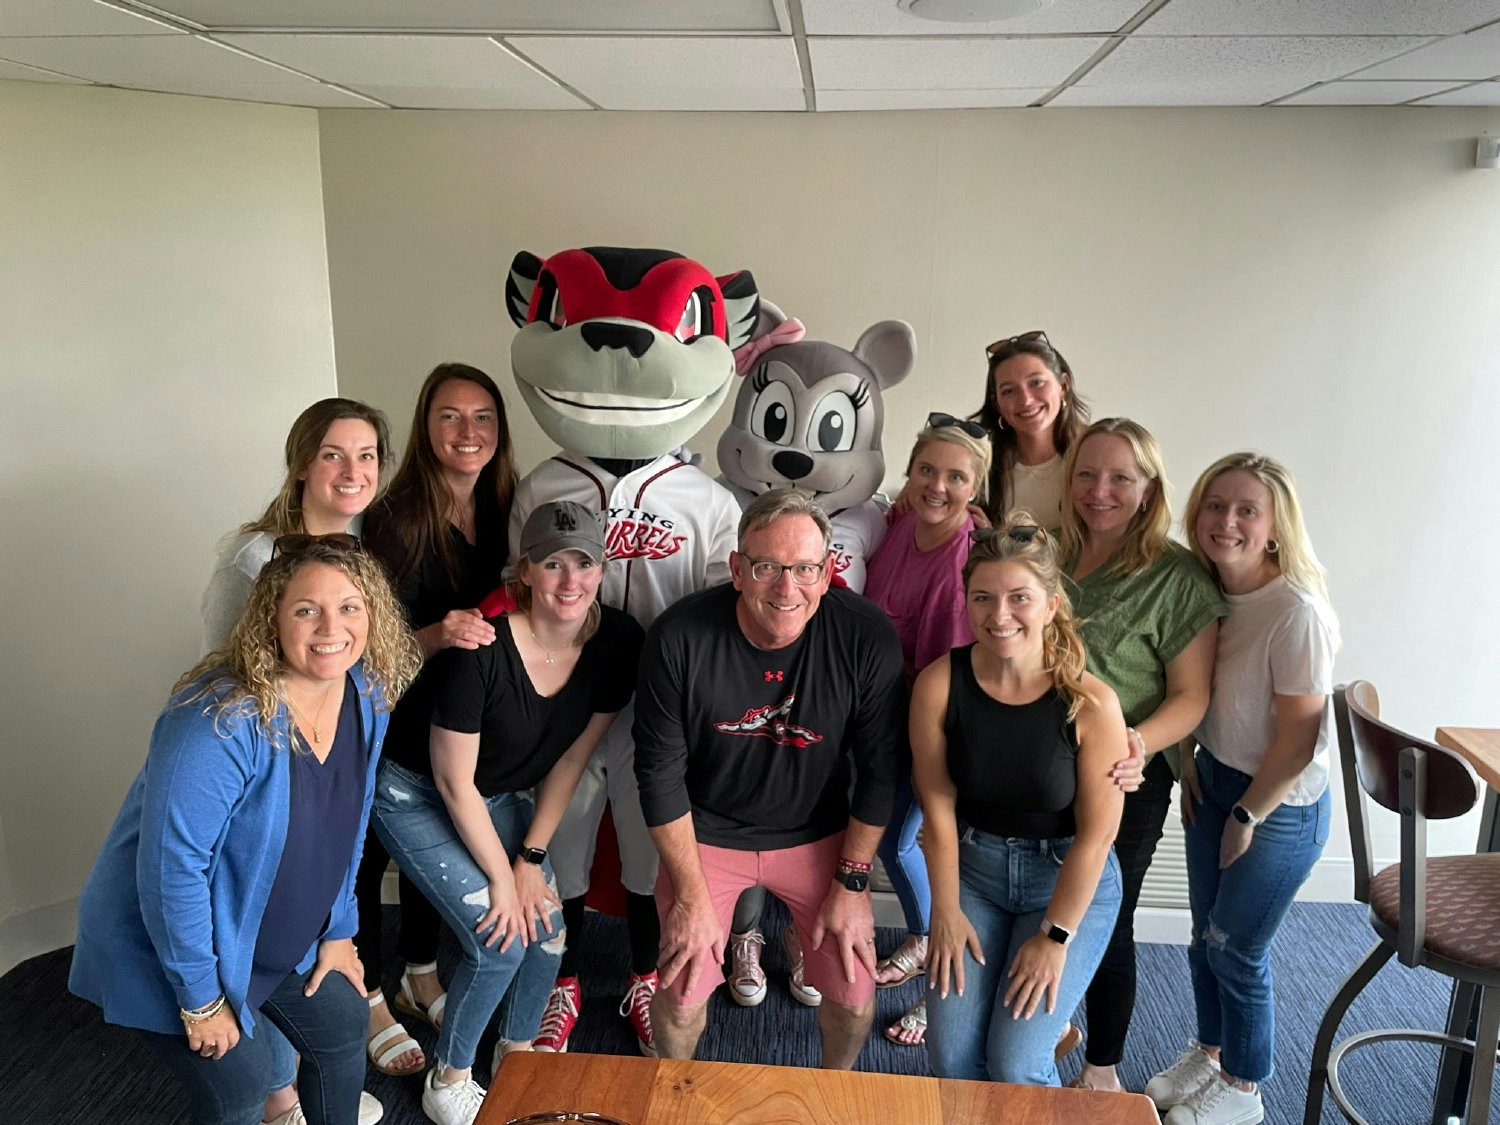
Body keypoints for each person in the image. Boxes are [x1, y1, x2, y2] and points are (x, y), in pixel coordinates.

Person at [70, 535, 422, 1125]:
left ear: (374, 614)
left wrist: (339, 928)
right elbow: (171, 870)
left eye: (350, 606)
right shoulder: (218, 721)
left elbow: (349, 819)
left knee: (341, 1022)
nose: (330, 626)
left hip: (261, 925)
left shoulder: (367, 692)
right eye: (307, 609)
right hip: (171, 943)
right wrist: (202, 1000)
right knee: (245, 1081)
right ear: (272, 620)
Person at [371, 501, 644, 1125]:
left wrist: (531, 862)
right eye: (553, 564)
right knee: (499, 938)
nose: (570, 580)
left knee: (546, 929)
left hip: (497, 796)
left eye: (584, 563)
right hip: (414, 791)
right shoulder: (481, 647)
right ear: (525, 572)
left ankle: (516, 1054)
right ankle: (451, 1076)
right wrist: (502, 880)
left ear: (602, 570)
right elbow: (451, 779)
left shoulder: (617, 642)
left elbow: (572, 760)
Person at [633, 487, 905, 1068]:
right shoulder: (678, 636)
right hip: (705, 835)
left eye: (805, 569)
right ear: (737, 569)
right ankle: (674, 1098)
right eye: (767, 568)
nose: (787, 589)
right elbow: (658, 775)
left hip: (818, 834)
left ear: (828, 570)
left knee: (856, 993)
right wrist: (689, 893)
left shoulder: (865, 635)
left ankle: (834, 1093)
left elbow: (882, 770)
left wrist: (854, 884)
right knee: (680, 991)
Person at [1144, 454, 1338, 1125]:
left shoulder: (1296, 611)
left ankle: (1244, 1087)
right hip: (1217, 777)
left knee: (1235, 945)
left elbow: (1299, 740)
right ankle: (1209, 1049)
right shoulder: (1210, 590)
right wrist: (1192, 756)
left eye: (1246, 510)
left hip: (1279, 800)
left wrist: (1250, 811)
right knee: (1203, 935)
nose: (1226, 521)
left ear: (1275, 527)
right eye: (1215, 505)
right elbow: (1211, 693)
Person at [918, 519, 1126, 1085]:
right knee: (955, 1062)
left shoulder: (1091, 703)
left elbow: (1097, 836)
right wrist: (944, 910)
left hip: (1062, 883)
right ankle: (1037, 1031)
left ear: (1052, 604)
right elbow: (936, 808)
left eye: (1019, 598)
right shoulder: (939, 683)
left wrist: (1054, 938)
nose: (999, 614)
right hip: (973, 874)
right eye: (983, 597)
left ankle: (1039, 1042)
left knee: (1014, 1067)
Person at [355, 363, 519, 1079]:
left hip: (462, 721)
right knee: (365, 863)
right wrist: (437, 634)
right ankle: (365, 999)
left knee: (433, 854)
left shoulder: (509, 503)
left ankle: (419, 975)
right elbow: (367, 643)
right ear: (426, 425)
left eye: (482, 416)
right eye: (449, 416)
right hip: (391, 714)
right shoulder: (395, 516)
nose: (467, 432)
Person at [1060, 418, 1228, 1093]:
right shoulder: (1052, 554)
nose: (1100, 491)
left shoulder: (1178, 575)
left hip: (1123, 773)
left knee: (1106, 918)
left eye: (1121, 478)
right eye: (1087, 474)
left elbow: (1193, 696)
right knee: (1040, 907)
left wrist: (1140, 743)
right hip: (1037, 769)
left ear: (1149, 486)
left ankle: (1101, 1070)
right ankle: (1047, 1032)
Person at [862, 413, 991, 1047]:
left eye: (956, 477)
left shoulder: (961, 564)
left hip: (926, 727)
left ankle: (938, 976)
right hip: (877, 716)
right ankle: (926, 942)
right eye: (927, 470)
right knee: (889, 842)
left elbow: (945, 678)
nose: (938, 485)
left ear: (976, 488)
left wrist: (918, 758)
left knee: (907, 846)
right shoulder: (898, 522)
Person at [202, 398, 390, 653]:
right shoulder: (250, 560)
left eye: (366, 456)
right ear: (301, 466)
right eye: (332, 456)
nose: (353, 472)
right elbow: (219, 679)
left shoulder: (366, 541)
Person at [967, 330, 1091, 528]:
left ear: (1063, 386)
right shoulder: (980, 462)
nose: (1025, 400)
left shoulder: (1096, 453)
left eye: (1037, 382)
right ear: (997, 403)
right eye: (1009, 391)